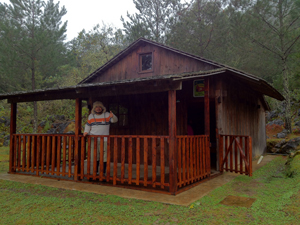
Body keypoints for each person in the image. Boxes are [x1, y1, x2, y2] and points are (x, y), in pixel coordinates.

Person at [83, 101, 118, 178]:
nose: (98, 108)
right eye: (96, 107)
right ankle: (96, 172)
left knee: (105, 156)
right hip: (93, 138)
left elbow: (115, 120)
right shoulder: (91, 116)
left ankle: (104, 172)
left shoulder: (107, 114)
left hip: (105, 139)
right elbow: (88, 125)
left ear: (102, 108)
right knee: (95, 155)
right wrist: (86, 132)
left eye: (99, 107)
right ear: (94, 108)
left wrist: (113, 116)